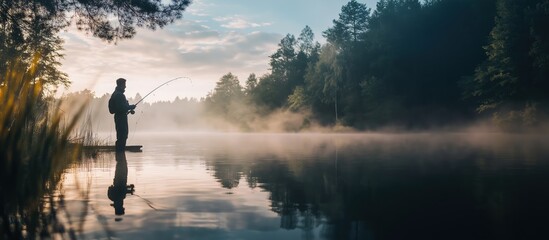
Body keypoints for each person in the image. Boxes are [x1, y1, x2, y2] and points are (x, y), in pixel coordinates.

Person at [109, 78, 136, 152]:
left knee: (121, 135)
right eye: (124, 85)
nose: (125, 87)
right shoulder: (119, 95)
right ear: (121, 85)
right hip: (121, 118)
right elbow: (121, 107)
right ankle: (120, 154)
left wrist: (128, 109)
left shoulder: (116, 94)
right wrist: (131, 107)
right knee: (122, 136)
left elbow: (121, 107)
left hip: (119, 117)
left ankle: (120, 159)